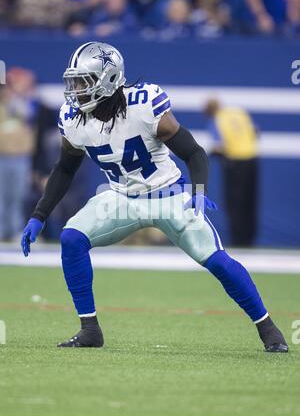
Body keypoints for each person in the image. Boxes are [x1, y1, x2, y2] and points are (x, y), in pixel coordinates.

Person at [21, 41, 287, 353]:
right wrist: (39, 216)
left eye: (83, 81)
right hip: (121, 197)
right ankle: (89, 330)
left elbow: (194, 152)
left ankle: (269, 329)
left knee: (217, 261)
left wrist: (199, 192)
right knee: (71, 239)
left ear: (107, 80)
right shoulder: (73, 118)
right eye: (74, 81)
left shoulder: (143, 105)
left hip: (168, 195)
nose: (76, 89)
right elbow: (64, 169)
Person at [204, 98, 258, 247]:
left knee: (234, 203)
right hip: (252, 159)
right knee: (250, 202)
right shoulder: (239, 113)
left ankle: (238, 240)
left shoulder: (217, 119)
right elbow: (255, 132)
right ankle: (250, 239)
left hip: (234, 163)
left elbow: (219, 146)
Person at [0, 67, 36, 240]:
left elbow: (28, 119)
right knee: (1, 196)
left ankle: (14, 230)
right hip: (2, 156)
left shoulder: (22, 105)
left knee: (17, 196)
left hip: (20, 158)